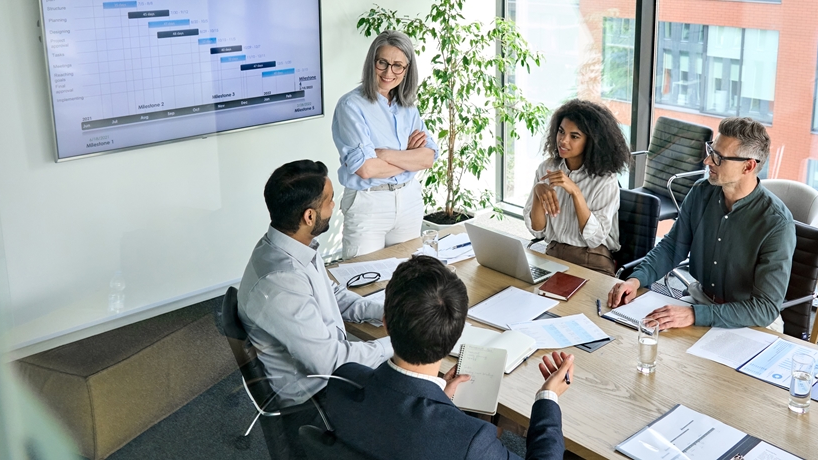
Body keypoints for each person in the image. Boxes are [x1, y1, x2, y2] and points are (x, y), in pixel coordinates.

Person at [321, 256, 573, 459]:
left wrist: (440, 400)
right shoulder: (470, 440)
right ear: (457, 334)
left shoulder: (342, 381)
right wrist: (548, 398)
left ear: (385, 324)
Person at [237, 160, 392, 454]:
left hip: (326, 374)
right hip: (315, 402)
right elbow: (331, 364)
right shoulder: (280, 282)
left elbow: (331, 294)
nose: (336, 206)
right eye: (330, 201)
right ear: (310, 216)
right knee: (417, 399)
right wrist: (397, 343)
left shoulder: (289, 244)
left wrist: (380, 311)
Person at [608, 117, 796, 332]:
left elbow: (764, 309)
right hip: (700, 300)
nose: (707, 161)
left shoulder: (777, 223)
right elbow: (671, 248)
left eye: (718, 158)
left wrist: (694, 314)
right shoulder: (700, 192)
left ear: (748, 166)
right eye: (710, 151)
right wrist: (635, 280)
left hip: (750, 321)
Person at [332, 30, 439, 260]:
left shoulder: (408, 106)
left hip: (409, 200)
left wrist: (384, 154)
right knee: (364, 281)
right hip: (368, 202)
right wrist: (409, 158)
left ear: (407, 69)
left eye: (398, 65)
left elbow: (428, 158)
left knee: (409, 282)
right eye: (383, 63)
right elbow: (366, 169)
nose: (389, 72)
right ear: (372, 62)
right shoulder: (351, 106)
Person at [523, 99, 632, 276]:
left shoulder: (605, 180)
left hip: (592, 260)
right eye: (561, 131)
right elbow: (538, 230)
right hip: (554, 254)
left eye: (574, 136)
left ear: (592, 141)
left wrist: (575, 191)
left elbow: (595, 239)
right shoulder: (546, 168)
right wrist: (538, 193)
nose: (563, 141)